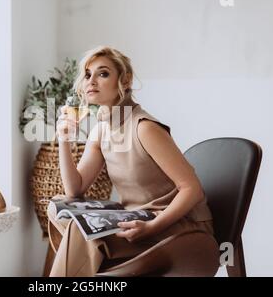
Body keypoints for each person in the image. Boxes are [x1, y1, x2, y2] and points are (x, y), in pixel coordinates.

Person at [47, 46, 218, 277]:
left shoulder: (144, 128)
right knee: (57, 207)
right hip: (135, 218)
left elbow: (192, 190)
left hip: (178, 227)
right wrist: (65, 141)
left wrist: (151, 228)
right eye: (88, 74)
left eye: (103, 73)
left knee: (80, 233)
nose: (91, 81)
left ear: (125, 81)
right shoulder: (101, 131)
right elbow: (74, 189)